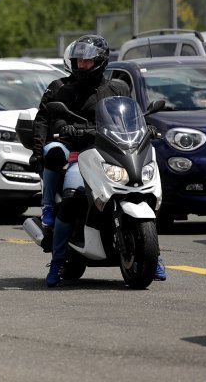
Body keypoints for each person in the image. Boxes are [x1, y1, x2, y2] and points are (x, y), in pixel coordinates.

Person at [28, 34, 166, 287]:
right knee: (72, 198)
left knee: (141, 191)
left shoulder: (118, 88)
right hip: (80, 155)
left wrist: (146, 128)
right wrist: (64, 129)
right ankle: (58, 261)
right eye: (78, 61)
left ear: (101, 62)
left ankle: (151, 255)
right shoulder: (63, 89)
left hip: (112, 152)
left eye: (87, 62)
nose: (81, 66)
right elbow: (53, 118)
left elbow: (130, 117)